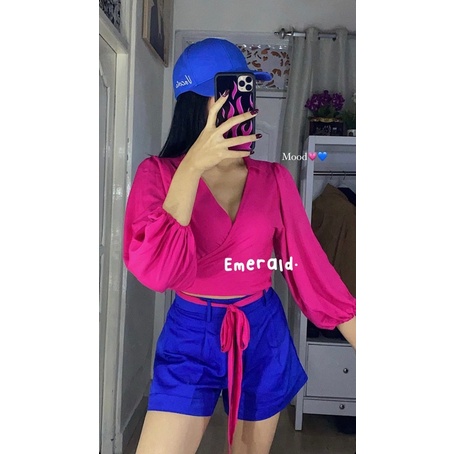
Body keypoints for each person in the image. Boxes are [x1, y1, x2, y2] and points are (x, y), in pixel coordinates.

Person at [123, 37, 356, 454]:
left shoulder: (274, 179)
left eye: (250, 94)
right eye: (233, 94)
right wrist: (194, 165)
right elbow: (158, 271)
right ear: (196, 103)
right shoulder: (157, 175)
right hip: (190, 333)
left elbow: (311, 270)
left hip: (261, 329)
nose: (248, 108)